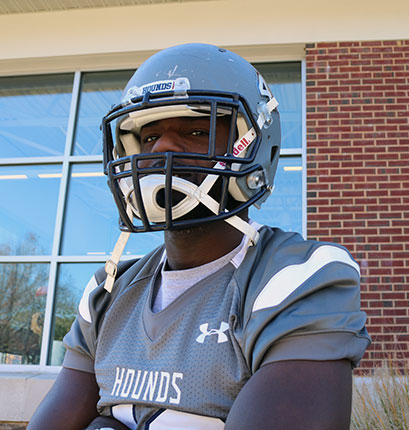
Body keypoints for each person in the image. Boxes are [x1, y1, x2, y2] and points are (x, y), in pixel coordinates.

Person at [28, 43, 370, 430]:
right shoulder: (107, 293)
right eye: (149, 136)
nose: (162, 149)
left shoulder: (296, 278)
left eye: (195, 131)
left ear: (252, 146)